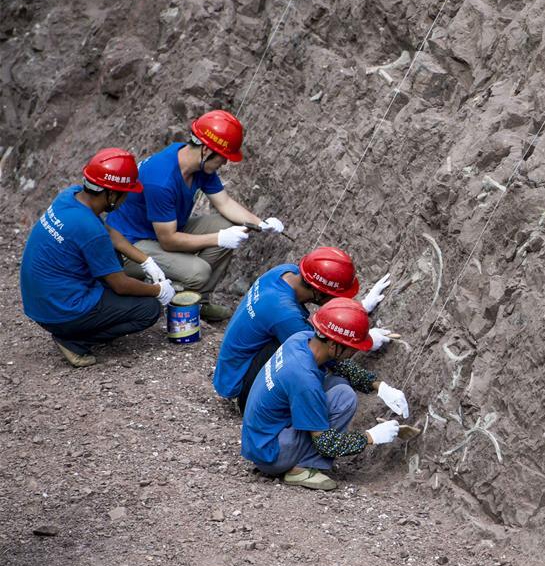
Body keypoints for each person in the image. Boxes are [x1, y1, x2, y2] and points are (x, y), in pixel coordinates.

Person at [106, 109, 285, 322]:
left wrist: (261, 223)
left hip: (159, 231)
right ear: (207, 150)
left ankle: (198, 301)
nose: (225, 163)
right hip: (130, 246)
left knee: (223, 223)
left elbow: (224, 203)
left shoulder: (196, 164)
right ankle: (179, 303)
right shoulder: (161, 179)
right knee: (199, 271)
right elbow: (169, 241)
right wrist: (219, 238)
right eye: (223, 157)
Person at [20, 148, 175, 367]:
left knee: (114, 259)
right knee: (148, 310)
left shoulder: (70, 196)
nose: (127, 198)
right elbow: (120, 285)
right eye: (125, 193)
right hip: (61, 310)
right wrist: (158, 290)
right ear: (111, 194)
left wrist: (146, 261)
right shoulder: (89, 229)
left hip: (41, 302)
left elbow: (110, 234)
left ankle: (81, 325)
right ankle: (74, 339)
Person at [241, 298, 409, 490]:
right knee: (343, 398)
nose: (354, 352)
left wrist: (380, 388)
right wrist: (370, 437)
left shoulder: (303, 339)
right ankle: (300, 467)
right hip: (271, 454)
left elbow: (341, 365)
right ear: (334, 347)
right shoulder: (304, 380)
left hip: (259, 438)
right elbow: (326, 444)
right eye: (352, 348)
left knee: (340, 386)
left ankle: (298, 457)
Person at [212, 246, 393, 412]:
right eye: (335, 297)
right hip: (240, 383)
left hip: (231, 370)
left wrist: (359, 309)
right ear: (319, 292)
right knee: (308, 357)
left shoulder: (285, 271)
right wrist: (362, 342)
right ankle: (257, 406)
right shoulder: (285, 314)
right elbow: (327, 351)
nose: (335, 300)